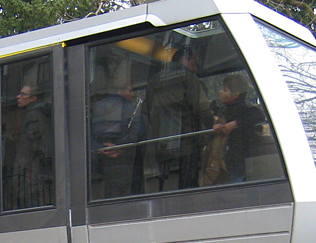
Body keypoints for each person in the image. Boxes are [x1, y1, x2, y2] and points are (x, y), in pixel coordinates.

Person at [145, 44, 213, 190]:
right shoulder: (189, 79)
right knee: (188, 185)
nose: (196, 69)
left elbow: (147, 110)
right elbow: (202, 109)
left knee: (162, 184)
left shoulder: (154, 82)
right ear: (184, 60)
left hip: (160, 143)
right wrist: (213, 127)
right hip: (187, 142)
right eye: (194, 64)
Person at [208, 73, 267, 185]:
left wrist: (235, 124)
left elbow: (258, 115)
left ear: (236, 94)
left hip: (239, 158)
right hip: (230, 158)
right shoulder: (226, 110)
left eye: (225, 90)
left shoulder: (243, 107)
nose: (220, 92)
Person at [90, 80, 144, 198]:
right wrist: (119, 147)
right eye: (130, 91)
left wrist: (102, 148)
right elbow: (136, 135)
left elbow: (89, 136)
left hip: (104, 163)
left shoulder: (98, 106)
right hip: (128, 161)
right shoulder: (132, 108)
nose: (133, 94)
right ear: (120, 91)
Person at [6, 83, 53, 209]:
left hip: (32, 176)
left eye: (23, 94)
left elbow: (29, 150)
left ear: (33, 98)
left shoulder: (33, 116)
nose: (18, 97)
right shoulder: (38, 114)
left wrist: (18, 178)